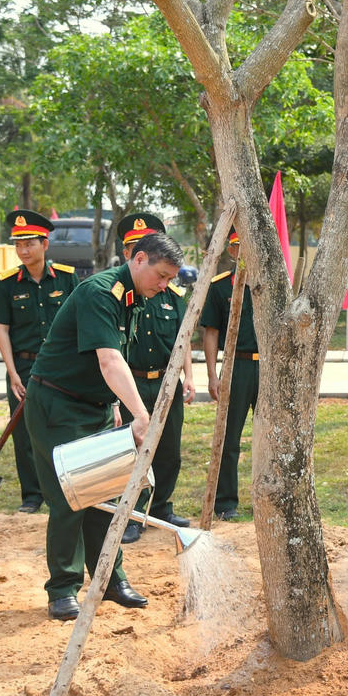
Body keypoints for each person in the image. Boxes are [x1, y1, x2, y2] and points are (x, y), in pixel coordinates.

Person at [23, 232, 183, 621]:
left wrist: (112, 404)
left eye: (168, 280)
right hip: (57, 404)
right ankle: (62, 588)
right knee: (71, 496)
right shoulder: (101, 292)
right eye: (161, 276)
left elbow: (113, 361)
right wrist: (141, 416)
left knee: (106, 493)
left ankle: (110, 579)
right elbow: (110, 360)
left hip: (92, 406)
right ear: (139, 258)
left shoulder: (133, 296)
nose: (163, 286)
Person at [0, 210, 77, 514]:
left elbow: (79, 320)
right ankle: (32, 494)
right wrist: (12, 373)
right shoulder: (6, 284)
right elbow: (2, 329)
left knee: (63, 428)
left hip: (61, 367)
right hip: (23, 367)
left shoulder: (66, 277)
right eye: (19, 245)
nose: (23, 251)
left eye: (30, 244)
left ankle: (64, 488)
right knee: (24, 432)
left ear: (45, 244)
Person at [114, 213, 195, 543]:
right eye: (133, 248)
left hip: (166, 383)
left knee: (169, 451)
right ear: (130, 256)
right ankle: (132, 513)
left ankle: (161, 507)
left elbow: (183, 337)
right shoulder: (118, 293)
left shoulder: (172, 295)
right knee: (131, 451)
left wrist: (189, 376)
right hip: (129, 382)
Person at [199, 231, 255, 521]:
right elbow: (211, 332)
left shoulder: (272, 285)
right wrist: (212, 374)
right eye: (237, 246)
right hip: (237, 366)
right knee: (229, 437)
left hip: (269, 368)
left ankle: (266, 498)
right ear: (231, 252)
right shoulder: (221, 287)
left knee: (267, 438)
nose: (243, 251)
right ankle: (225, 502)